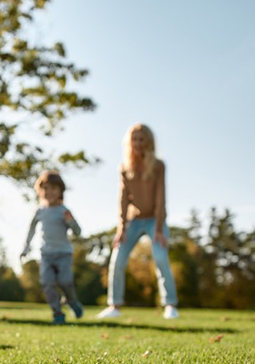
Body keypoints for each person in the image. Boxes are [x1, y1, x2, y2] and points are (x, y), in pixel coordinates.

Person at [97, 123, 178, 319]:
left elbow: (161, 199)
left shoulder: (158, 166)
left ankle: (170, 305)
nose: (138, 143)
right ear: (129, 142)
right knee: (117, 258)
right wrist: (121, 229)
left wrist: (158, 229)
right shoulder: (124, 168)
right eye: (134, 139)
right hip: (133, 221)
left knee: (160, 257)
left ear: (148, 142)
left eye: (142, 139)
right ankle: (114, 306)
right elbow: (123, 200)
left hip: (154, 221)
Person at [21, 171, 83, 324]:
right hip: (46, 255)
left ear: (60, 191)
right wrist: (26, 248)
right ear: (40, 190)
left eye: (54, 189)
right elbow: (31, 230)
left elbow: (78, 232)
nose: (49, 192)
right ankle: (57, 313)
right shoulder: (39, 211)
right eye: (46, 188)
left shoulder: (64, 211)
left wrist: (70, 221)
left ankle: (72, 301)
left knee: (65, 282)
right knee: (47, 284)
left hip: (63, 253)